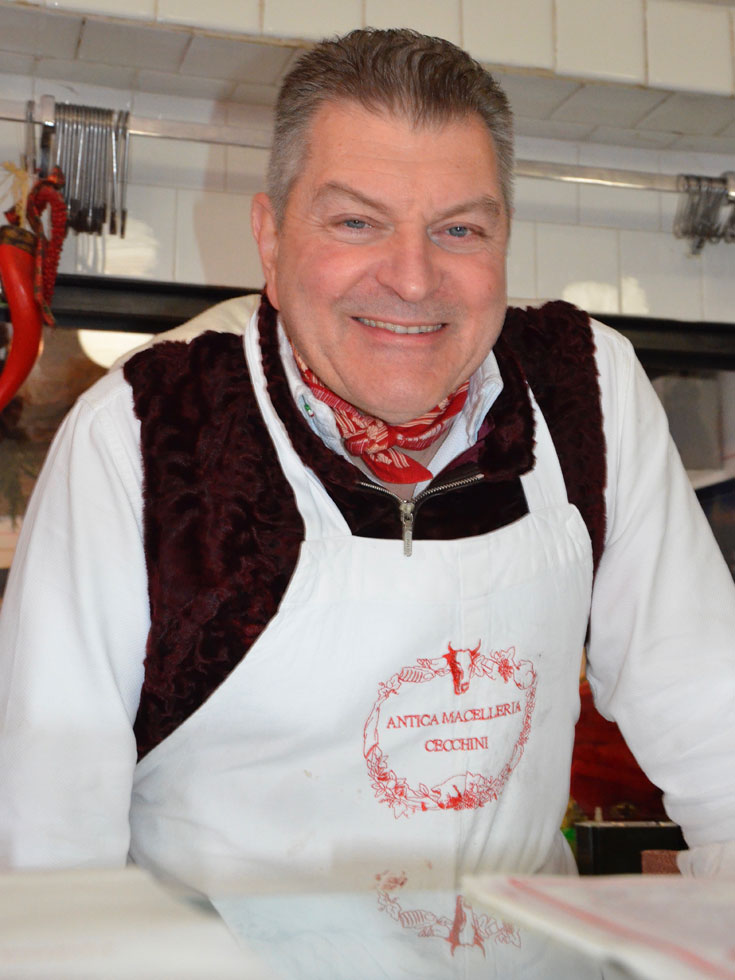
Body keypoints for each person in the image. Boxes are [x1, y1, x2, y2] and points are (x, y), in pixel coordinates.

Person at [1, 27, 734, 978]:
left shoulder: (584, 390)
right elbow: (47, 846)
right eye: (355, 222)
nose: (413, 278)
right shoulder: (148, 433)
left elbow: (713, 720)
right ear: (271, 237)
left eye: (459, 229)